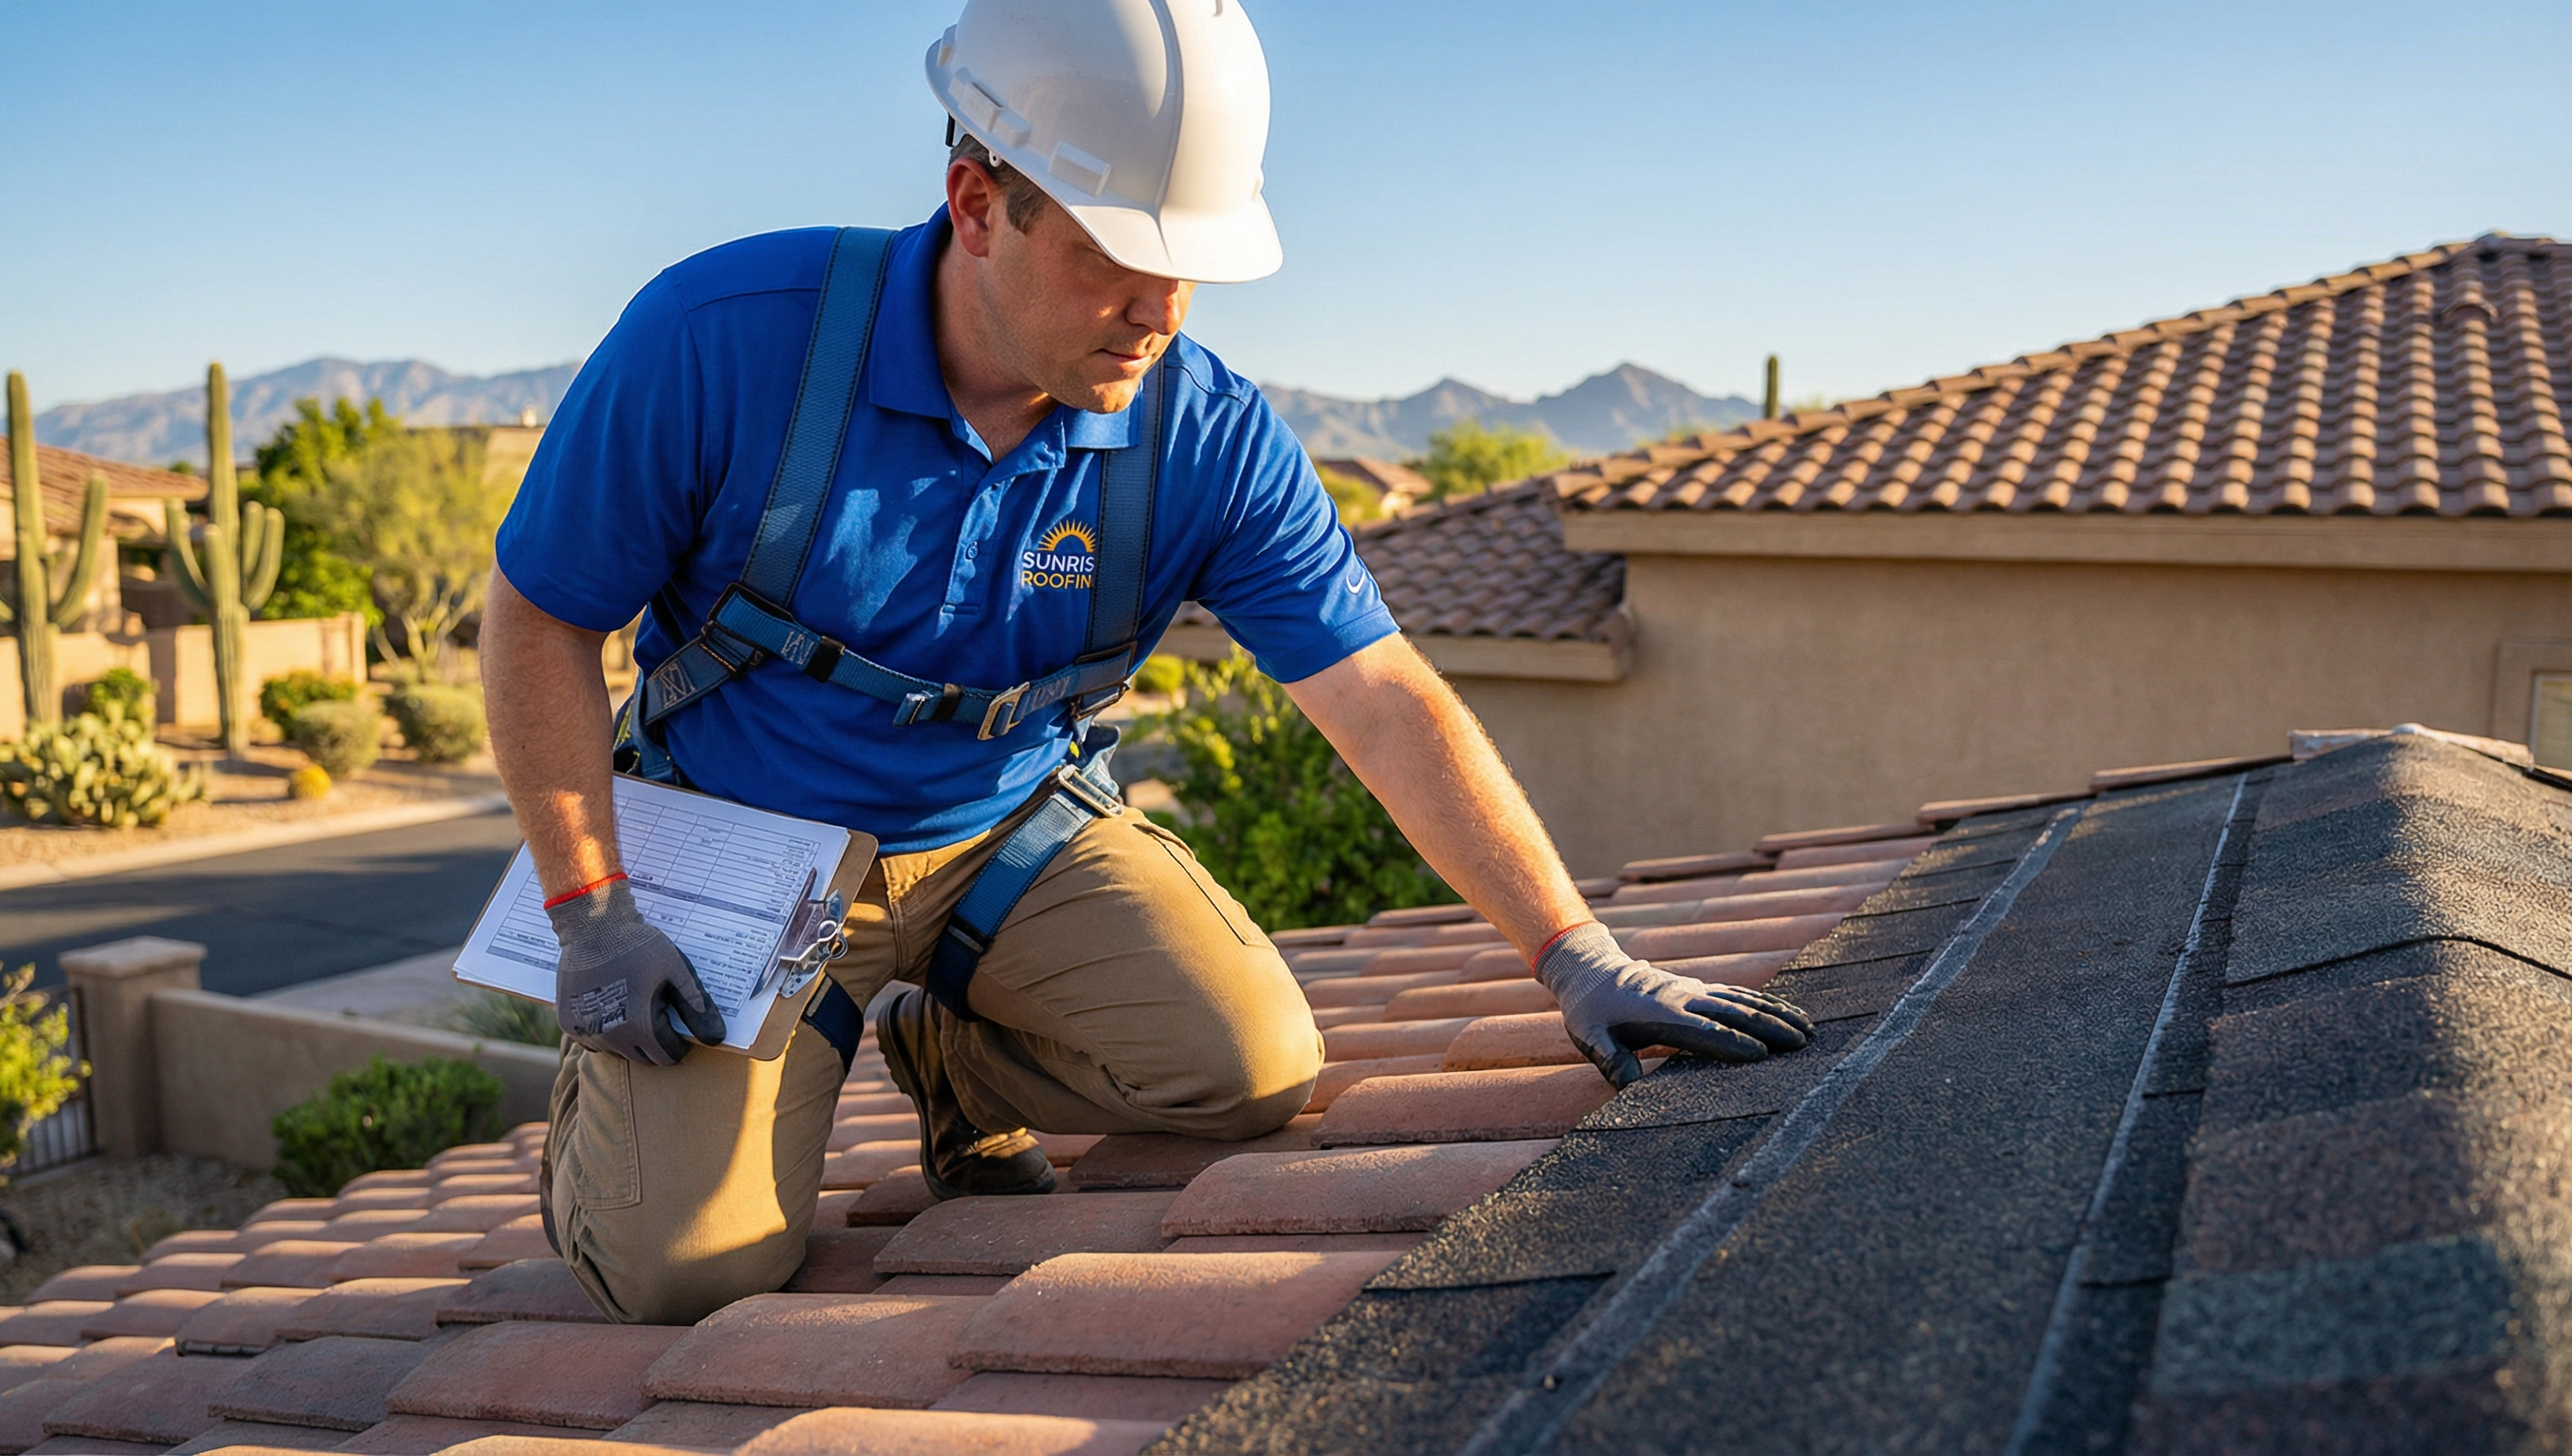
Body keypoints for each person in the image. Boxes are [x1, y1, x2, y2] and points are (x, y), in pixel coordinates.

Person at [480, 0, 1813, 1325]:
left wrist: (1575, 955)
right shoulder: (724, 343)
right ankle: (730, 1073)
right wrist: (591, 912)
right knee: (681, 1272)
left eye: (1193, 268)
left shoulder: (1205, 440)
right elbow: (537, 622)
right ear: (975, 199)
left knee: (1250, 1065)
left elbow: (1383, 697)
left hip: (998, 837)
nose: (1159, 312)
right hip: (748, 857)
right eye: (1120, 257)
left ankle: (947, 1054)